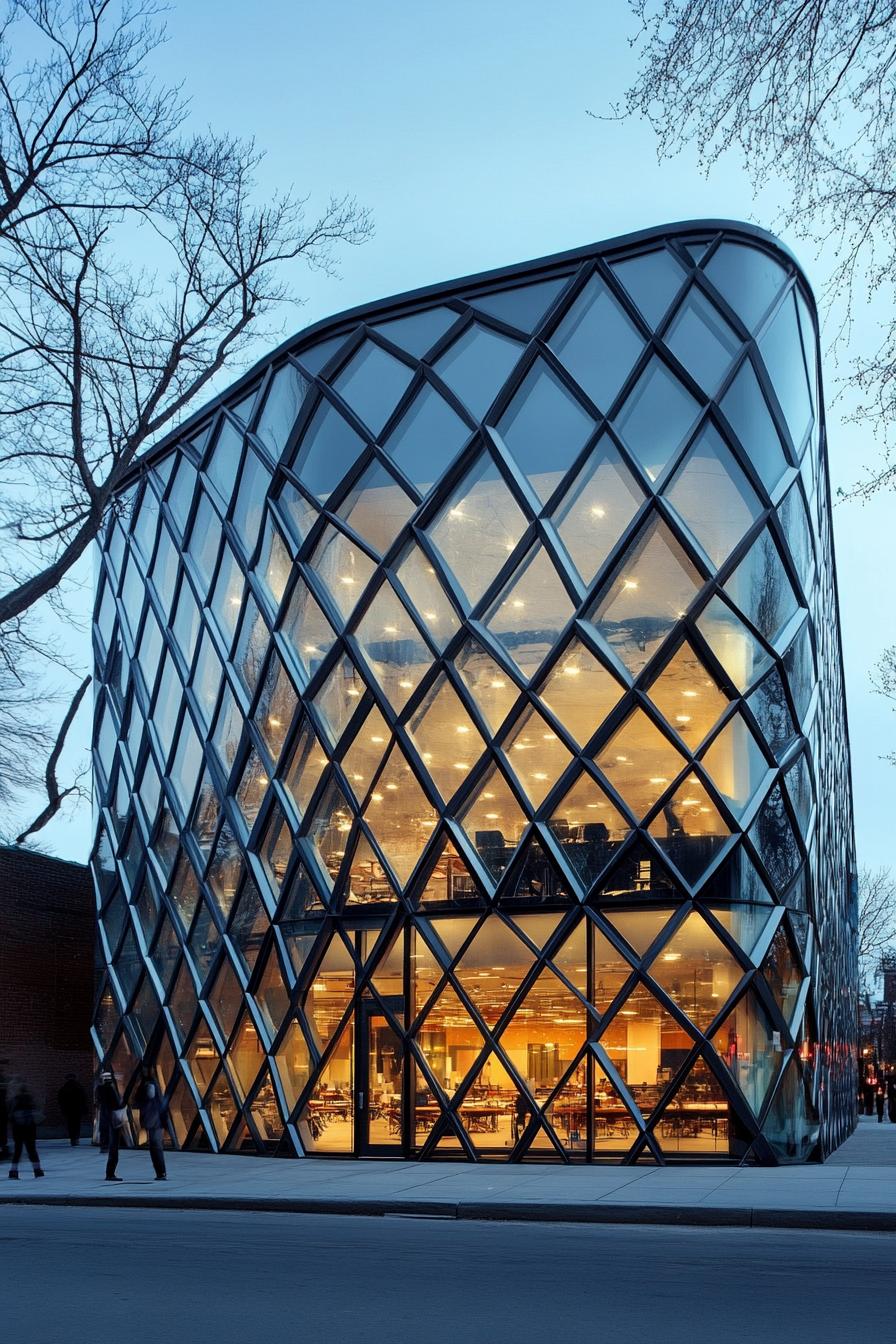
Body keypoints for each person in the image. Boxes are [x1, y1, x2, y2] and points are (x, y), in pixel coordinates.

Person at [135, 1066, 167, 1181]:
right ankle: (160, 1172)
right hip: (155, 1120)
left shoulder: (149, 1085)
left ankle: (161, 1173)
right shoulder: (152, 1084)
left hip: (153, 1121)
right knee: (155, 1147)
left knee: (155, 1147)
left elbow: (147, 1098)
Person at [8, 1084, 44, 1179]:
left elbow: (10, 1115)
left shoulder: (14, 1100)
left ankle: (13, 1171)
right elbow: (38, 1113)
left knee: (17, 1150)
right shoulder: (31, 1100)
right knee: (32, 1150)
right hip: (30, 1129)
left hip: (18, 1129)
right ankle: (37, 1170)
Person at [95, 1071, 124, 1181]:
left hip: (106, 1121)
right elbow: (116, 1104)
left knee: (112, 1149)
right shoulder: (110, 1089)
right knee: (114, 1150)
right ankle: (110, 1174)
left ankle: (109, 1173)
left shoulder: (99, 1090)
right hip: (113, 1121)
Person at [57, 1074, 88, 1146]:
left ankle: (72, 1139)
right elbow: (84, 1099)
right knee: (77, 1124)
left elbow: (60, 1100)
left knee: (70, 1124)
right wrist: (84, 1108)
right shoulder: (79, 1087)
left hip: (68, 1109)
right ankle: (76, 1138)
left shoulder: (64, 1088)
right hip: (77, 1109)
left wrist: (62, 1108)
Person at [0, 1060, 9, 1160]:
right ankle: (3, 1145)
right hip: (3, 1110)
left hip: (2, 1110)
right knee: (3, 1129)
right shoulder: (4, 1086)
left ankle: (3, 1145)